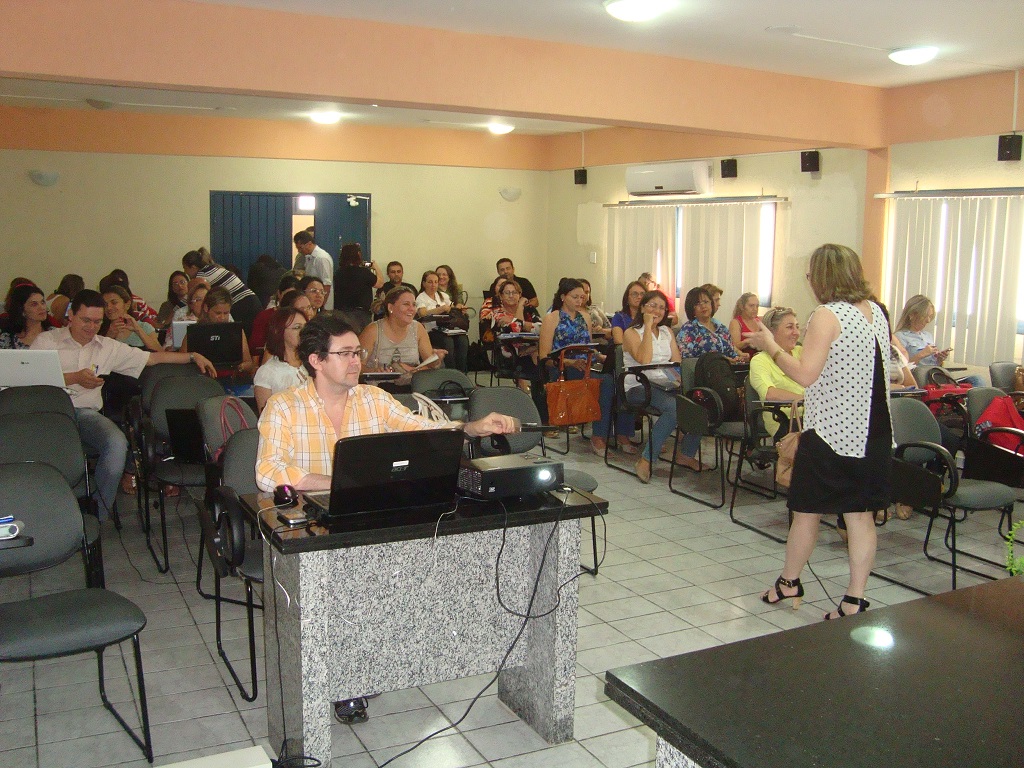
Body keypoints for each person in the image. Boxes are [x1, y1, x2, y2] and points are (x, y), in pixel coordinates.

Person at [256, 314, 516, 725]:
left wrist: (472, 427)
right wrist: (337, 482)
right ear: (316, 361)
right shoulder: (284, 407)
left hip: (371, 512)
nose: (356, 361)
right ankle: (345, 677)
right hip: (316, 521)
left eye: (357, 352)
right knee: (348, 585)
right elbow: (268, 472)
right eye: (344, 354)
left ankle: (392, 650)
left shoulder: (373, 399)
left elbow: (425, 431)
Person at [745, 244, 893, 620]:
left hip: (834, 433)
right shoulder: (875, 311)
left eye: (811, 273)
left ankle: (789, 582)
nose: (808, 280)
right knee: (859, 515)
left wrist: (770, 346)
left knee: (806, 510)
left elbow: (806, 374)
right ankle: (854, 599)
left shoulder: (827, 315)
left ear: (823, 277)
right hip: (873, 430)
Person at [32, 290, 216, 518]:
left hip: (86, 415)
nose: (91, 327)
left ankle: (96, 512)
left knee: (118, 444)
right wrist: (73, 378)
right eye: (85, 320)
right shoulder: (46, 341)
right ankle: (50, 511)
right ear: (71, 316)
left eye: (97, 322)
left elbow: (152, 358)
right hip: (47, 414)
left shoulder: (107, 347)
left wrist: (192, 356)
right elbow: (30, 380)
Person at [538, 278, 633, 455]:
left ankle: (620, 433)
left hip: (587, 364)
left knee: (620, 380)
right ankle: (599, 436)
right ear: (563, 297)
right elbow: (544, 356)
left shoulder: (585, 318)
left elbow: (587, 347)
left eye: (582, 297)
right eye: (575, 297)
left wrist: (601, 356)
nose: (579, 301)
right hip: (563, 367)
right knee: (605, 382)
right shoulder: (552, 318)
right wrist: (569, 362)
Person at [622, 290, 705, 482]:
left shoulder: (667, 332)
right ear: (642, 308)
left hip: (664, 384)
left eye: (661, 307)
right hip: (638, 385)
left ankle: (686, 454)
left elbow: (676, 363)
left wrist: (677, 382)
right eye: (652, 306)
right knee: (674, 408)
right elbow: (644, 359)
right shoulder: (631, 333)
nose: (657, 310)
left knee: (700, 403)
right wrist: (648, 327)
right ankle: (646, 459)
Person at [894, 294, 984, 386]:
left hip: (936, 378)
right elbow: (901, 369)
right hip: (921, 380)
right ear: (912, 315)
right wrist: (922, 354)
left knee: (976, 379)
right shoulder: (899, 337)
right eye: (925, 316)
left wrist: (939, 359)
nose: (928, 320)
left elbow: (935, 366)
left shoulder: (928, 335)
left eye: (930, 316)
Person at [360, 286, 443, 384]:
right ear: (390, 307)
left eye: (414, 305)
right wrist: (375, 371)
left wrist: (436, 359)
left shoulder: (418, 328)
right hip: (379, 391)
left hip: (412, 390)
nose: (412, 309)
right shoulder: (373, 331)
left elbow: (430, 365)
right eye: (406, 304)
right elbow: (356, 366)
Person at [748, 306, 804, 440]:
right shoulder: (760, 360)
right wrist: (807, 399)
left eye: (797, 326)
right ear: (771, 332)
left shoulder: (800, 351)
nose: (796, 332)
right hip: (784, 420)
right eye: (790, 327)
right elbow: (770, 394)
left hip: (811, 415)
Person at [180, 287, 256, 378]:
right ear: (206, 308)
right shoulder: (194, 332)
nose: (222, 317)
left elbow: (249, 364)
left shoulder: (236, 331)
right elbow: (182, 362)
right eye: (218, 313)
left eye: (226, 313)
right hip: (201, 380)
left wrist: (239, 367)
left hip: (231, 379)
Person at [491, 278, 541, 392]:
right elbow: (516, 330)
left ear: (520, 295)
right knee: (536, 355)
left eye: (514, 292)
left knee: (540, 353)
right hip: (509, 353)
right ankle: (534, 390)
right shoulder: (498, 313)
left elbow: (541, 328)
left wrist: (517, 321)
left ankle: (539, 392)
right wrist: (520, 310)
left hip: (531, 349)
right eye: (507, 293)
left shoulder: (529, 310)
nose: (511, 296)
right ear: (501, 296)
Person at [253, 307, 307, 412]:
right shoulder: (267, 372)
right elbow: (266, 420)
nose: (304, 332)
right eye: (297, 327)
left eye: (306, 327)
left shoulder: (314, 364)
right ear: (279, 331)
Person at [676, 286, 748, 362]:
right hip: (703, 371)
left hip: (728, 369)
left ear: (711, 304)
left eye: (706, 302)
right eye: (698, 304)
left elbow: (731, 351)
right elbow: (687, 361)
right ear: (691, 308)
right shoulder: (688, 330)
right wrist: (723, 361)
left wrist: (738, 358)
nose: (703, 306)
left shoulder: (721, 328)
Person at [416, 270, 468, 372]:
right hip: (432, 331)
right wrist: (440, 309)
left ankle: (462, 373)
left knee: (463, 340)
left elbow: (451, 308)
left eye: (436, 282)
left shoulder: (443, 296)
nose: (433, 285)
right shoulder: (421, 298)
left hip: (447, 328)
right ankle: (451, 373)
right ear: (424, 283)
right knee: (448, 342)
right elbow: (422, 313)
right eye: (430, 282)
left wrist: (459, 307)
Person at [332, 242, 382, 331]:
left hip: (341, 312)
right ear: (358, 254)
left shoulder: (338, 273)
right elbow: (380, 283)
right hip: (360, 314)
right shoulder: (363, 272)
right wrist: (375, 267)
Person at [250, 275, 302, 355]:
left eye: (294, 296)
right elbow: (255, 349)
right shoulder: (265, 316)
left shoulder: (301, 318)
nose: (289, 299)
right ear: (279, 294)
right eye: (287, 295)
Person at [101, 285, 162, 351]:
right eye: (105, 304)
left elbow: (160, 353)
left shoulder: (144, 327)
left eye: (114, 303)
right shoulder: (98, 328)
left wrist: (138, 330)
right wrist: (109, 336)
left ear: (127, 304)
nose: (109, 308)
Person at [0, 283, 51, 349]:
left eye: (42, 302)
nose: (42, 308)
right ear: (22, 310)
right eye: (34, 304)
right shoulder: (7, 339)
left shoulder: (55, 335)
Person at [293, 231, 334, 303]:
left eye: (301, 248)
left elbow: (326, 284)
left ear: (309, 244)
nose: (299, 251)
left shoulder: (321, 258)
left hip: (321, 303)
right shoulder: (309, 257)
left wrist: (322, 304)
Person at [610, 281, 646, 345]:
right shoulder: (619, 317)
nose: (639, 297)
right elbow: (618, 341)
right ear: (627, 298)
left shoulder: (649, 318)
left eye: (642, 294)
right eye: (635, 294)